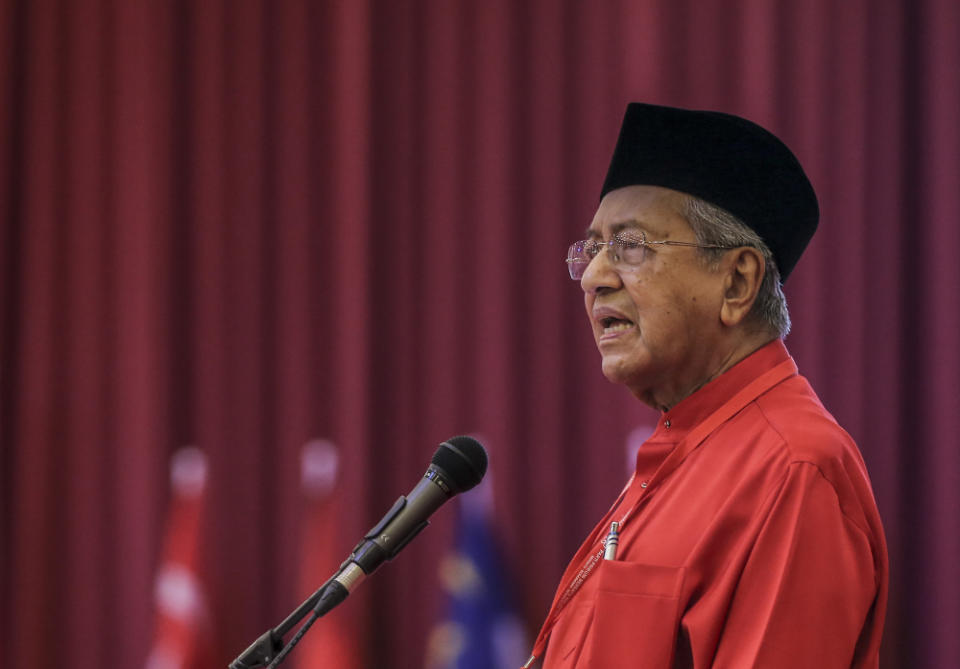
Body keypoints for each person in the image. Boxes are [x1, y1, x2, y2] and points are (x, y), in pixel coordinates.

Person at [524, 104, 888, 668]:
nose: (594, 278)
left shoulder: (794, 469)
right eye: (591, 250)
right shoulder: (681, 450)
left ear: (738, 281)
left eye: (630, 246)